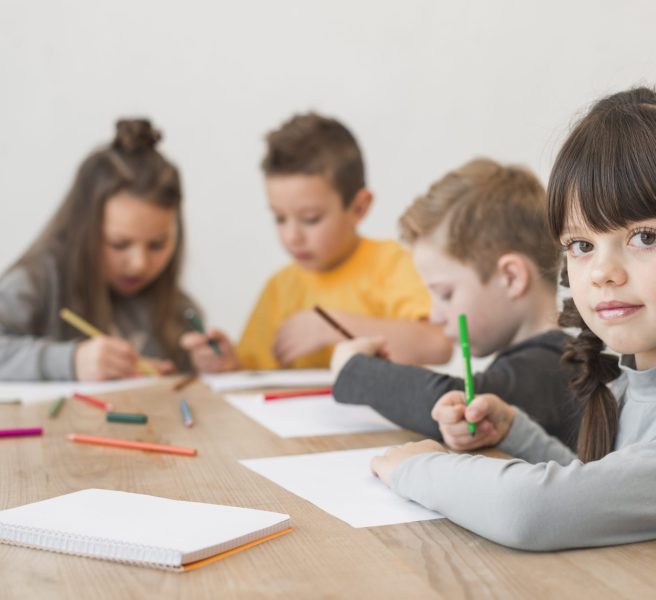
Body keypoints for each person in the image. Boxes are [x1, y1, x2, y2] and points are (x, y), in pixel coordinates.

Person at [370, 88, 656, 595]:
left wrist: (418, 469)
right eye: (581, 245)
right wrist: (512, 433)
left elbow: (534, 510)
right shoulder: (633, 389)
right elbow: (596, 490)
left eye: (644, 236)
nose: (603, 273)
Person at [330, 158, 579, 446]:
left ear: (511, 277)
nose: (435, 315)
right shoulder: (540, 362)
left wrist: (356, 370)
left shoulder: (552, 369)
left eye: (445, 294)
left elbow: (459, 404)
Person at [182, 113, 451, 371]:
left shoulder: (392, 263)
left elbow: (438, 345)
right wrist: (228, 364)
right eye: (279, 218)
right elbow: (253, 372)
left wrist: (331, 327)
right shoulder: (280, 287)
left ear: (359, 207)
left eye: (310, 219)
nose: (291, 236)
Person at [0, 119, 198, 380]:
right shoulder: (36, 282)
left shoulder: (176, 308)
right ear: (84, 229)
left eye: (157, 245)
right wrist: (69, 362)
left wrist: (208, 364)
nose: (139, 263)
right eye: (119, 244)